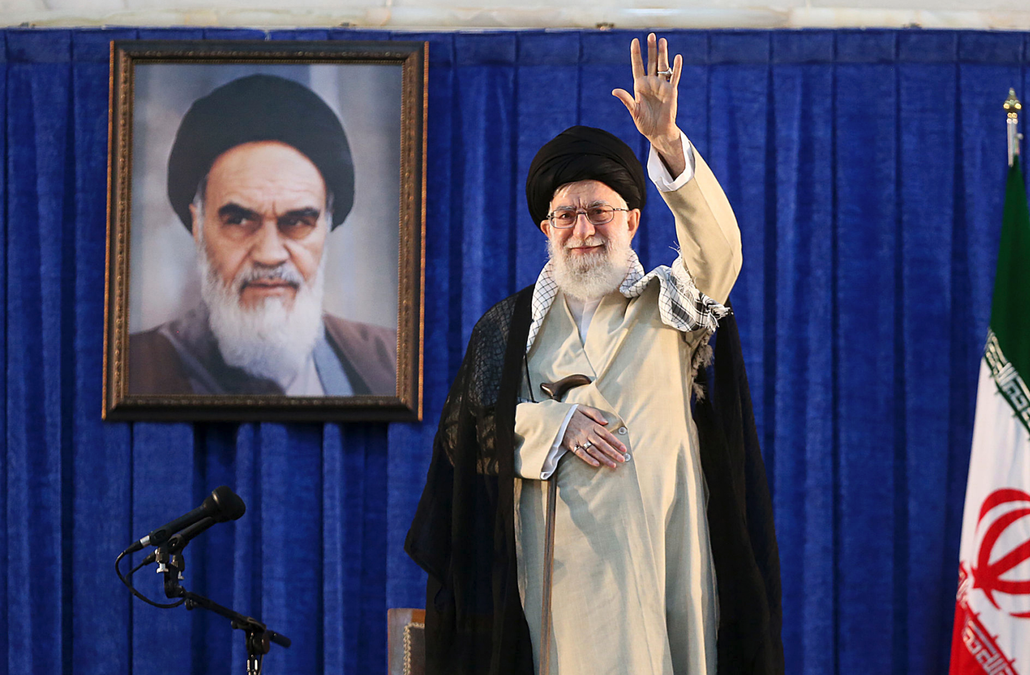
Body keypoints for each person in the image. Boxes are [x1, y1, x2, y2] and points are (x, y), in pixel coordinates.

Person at [406, 34, 782, 675]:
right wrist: (554, 425)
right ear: (546, 229)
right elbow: (466, 438)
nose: (583, 230)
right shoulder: (508, 327)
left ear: (633, 220)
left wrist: (666, 144)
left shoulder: (672, 306)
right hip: (554, 580)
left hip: (664, 564)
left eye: (600, 212)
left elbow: (722, 253)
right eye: (567, 215)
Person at [128, 74, 396, 397]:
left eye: (297, 222)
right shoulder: (132, 373)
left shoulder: (392, 362)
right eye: (239, 220)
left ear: (327, 225)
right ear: (198, 225)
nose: (269, 255)